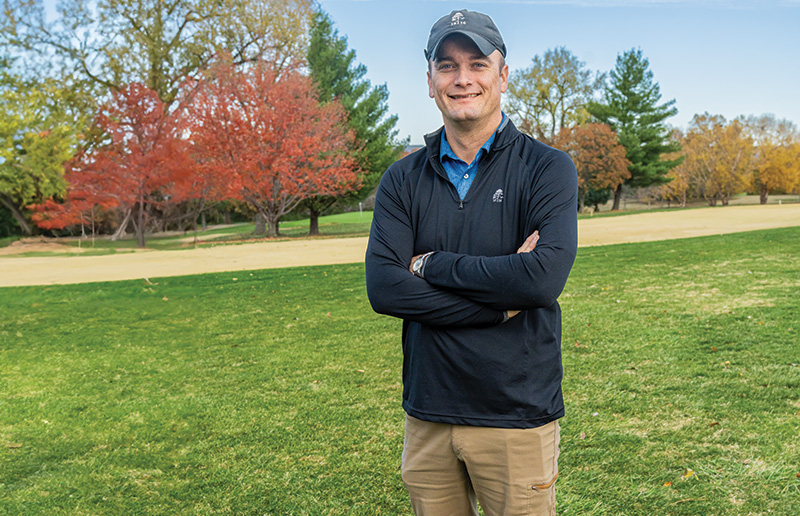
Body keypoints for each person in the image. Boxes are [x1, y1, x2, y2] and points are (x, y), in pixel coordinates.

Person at [365, 8, 578, 516]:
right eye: (447, 65)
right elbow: (385, 289)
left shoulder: (547, 168)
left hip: (516, 415)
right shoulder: (402, 179)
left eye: (478, 64)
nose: (462, 79)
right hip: (428, 415)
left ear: (503, 76)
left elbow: (539, 280)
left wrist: (431, 265)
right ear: (430, 83)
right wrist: (495, 306)